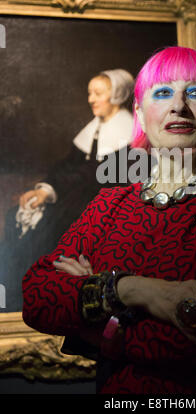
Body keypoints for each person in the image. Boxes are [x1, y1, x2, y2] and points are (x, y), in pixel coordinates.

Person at [22, 47, 196, 394]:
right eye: (162, 93)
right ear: (140, 113)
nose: (179, 106)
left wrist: (89, 328)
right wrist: (133, 289)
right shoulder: (110, 204)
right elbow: (37, 296)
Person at [1, 69, 135, 311]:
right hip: (77, 193)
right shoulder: (94, 127)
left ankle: (45, 298)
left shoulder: (129, 134)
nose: (90, 99)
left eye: (98, 93)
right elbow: (67, 166)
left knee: (51, 226)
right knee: (15, 215)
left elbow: (97, 175)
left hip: (106, 202)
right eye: (89, 93)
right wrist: (45, 188)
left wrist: (54, 191)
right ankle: (16, 295)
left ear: (116, 95)